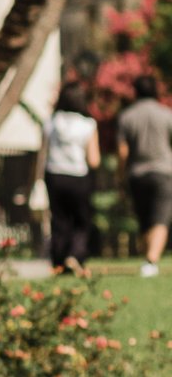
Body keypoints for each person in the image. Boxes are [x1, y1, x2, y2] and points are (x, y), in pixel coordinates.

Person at [114, 72, 172, 278]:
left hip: (137, 173)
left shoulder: (127, 116)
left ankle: (149, 259)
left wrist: (120, 176)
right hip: (164, 172)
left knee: (145, 218)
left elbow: (123, 152)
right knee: (161, 218)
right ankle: (151, 260)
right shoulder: (166, 114)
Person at [42, 79, 100, 273]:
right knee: (81, 221)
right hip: (78, 176)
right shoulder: (87, 124)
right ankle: (75, 255)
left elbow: (42, 154)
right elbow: (94, 160)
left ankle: (58, 262)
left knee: (59, 220)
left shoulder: (51, 122)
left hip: (54, 175)